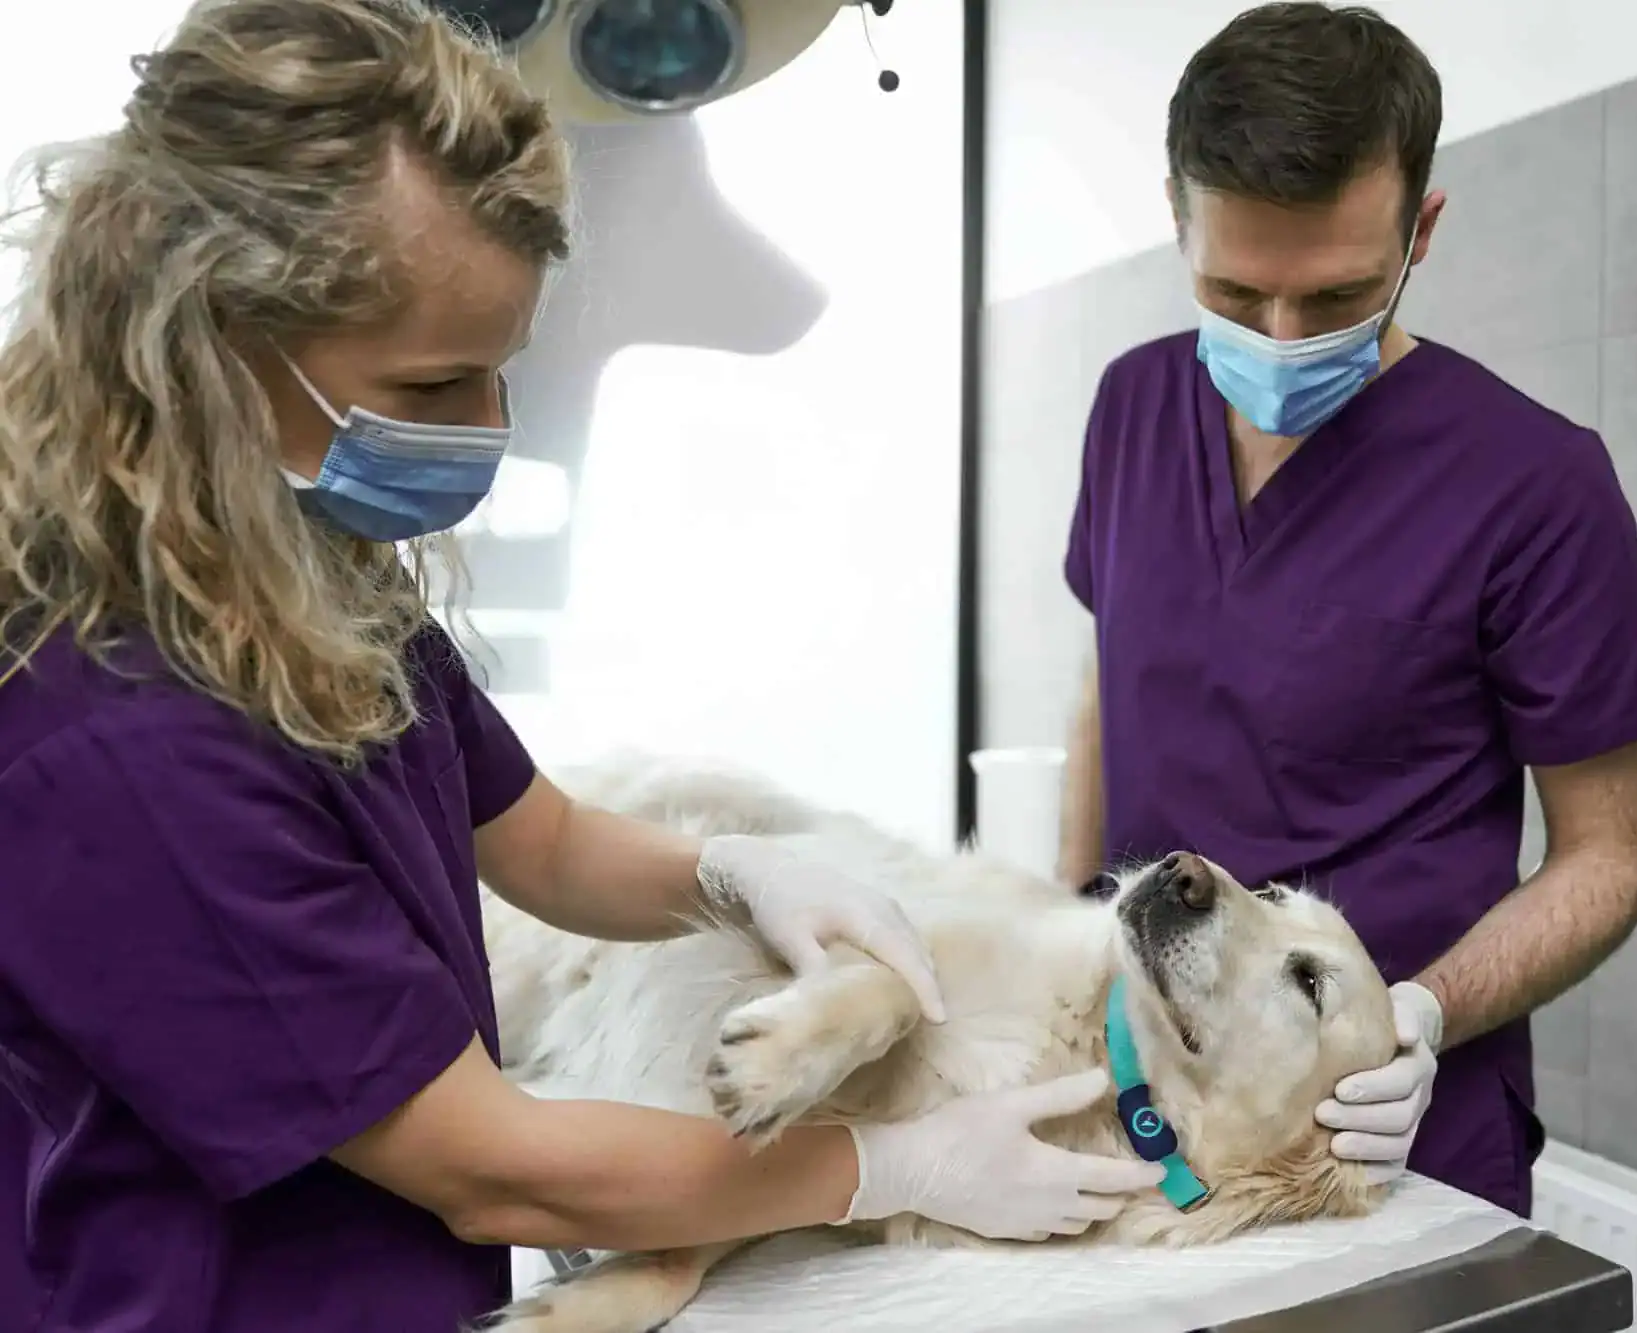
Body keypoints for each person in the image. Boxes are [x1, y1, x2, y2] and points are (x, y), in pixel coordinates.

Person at [0, 2, 1164, 1329]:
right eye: (435, 385)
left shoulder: (299, 566)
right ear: (208, 337)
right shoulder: (119, 730)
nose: (486, 431)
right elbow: (495, 1169)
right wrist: (885, 1164)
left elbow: (540, 842)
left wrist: (733, 872)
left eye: (505, 372)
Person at [1054, 2, 1637, 1220]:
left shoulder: (1536, 483)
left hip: (1383, 1131)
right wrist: (1063, 924)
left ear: (1420, 230)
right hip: (1138, 1088)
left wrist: (1415, 1014)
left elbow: (1608, 854)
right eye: (1233, 291)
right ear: (1174, 217)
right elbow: (1106, 681)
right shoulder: (1131, 405)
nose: (1280, 339)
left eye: (1334, 295)